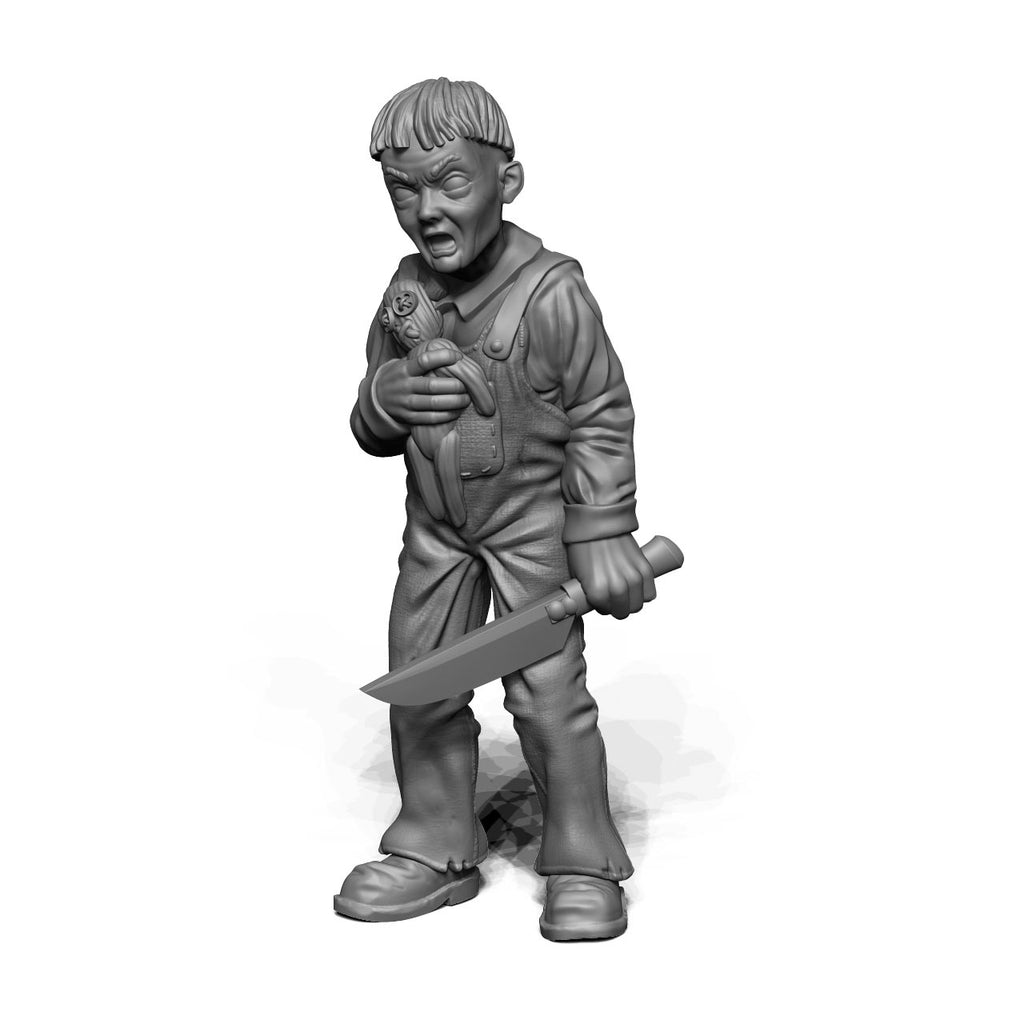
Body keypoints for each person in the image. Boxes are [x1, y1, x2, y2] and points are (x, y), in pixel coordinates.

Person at [336, 77, 655, 941]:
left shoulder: (551, 294)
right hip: (437, 532)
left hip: (530, 529)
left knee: (547, 693)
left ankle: (581, 856)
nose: (427, 210)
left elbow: (602, 412)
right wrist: (383, 399)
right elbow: (370, 416)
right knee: (421, 682)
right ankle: (435, 839)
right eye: (403, 190)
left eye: (450, 182)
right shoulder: (404, 291)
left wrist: (603, 530)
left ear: (506, 181)